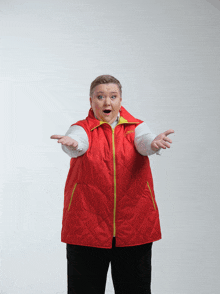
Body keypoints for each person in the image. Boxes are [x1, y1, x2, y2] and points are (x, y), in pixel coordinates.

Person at [50, 75, 174, 294]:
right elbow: (78, 143)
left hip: (135, 226)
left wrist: (154, 144)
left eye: (112, 96)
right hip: (86, 227)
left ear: (120, 100)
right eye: (100, 97)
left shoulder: (137, 127)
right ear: (91, 101)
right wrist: (72, 145)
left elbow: (144, 142)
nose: (107, 102)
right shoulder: (81, 129)